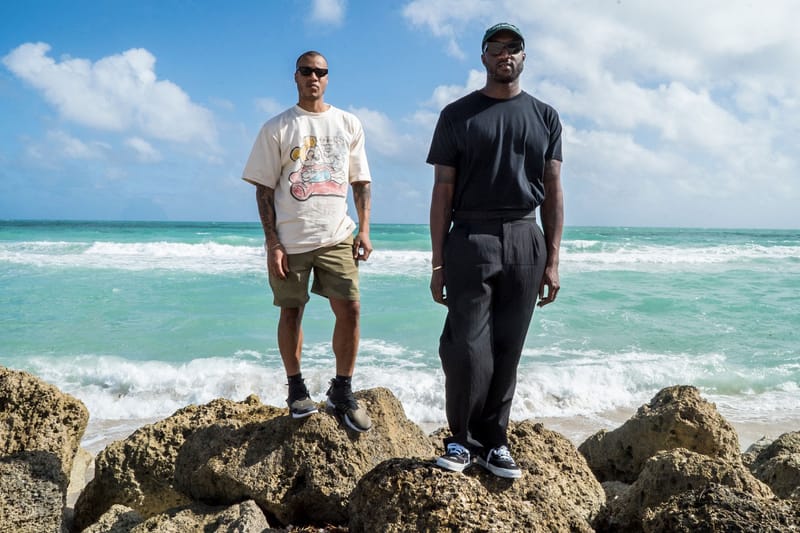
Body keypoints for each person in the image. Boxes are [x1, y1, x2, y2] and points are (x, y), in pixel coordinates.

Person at [427, 23, 564, 478]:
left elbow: (554, 188)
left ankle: (495, 442)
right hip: (470, 237)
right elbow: (442, 189)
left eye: (514, 48)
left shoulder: (546, 116)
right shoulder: (457, 115)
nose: (505, 54)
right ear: (483, 57)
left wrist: (554, 258)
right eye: (496, 48)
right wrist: (438, 260)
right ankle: (460, 441)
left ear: (524, 56)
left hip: (527, 238)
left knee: (508, 346)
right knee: (467, 345)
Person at [242, 50, 373, 432]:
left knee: (350, 309)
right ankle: (296, 388)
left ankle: (342, 391)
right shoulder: (277, 128)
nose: (314, 77)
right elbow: (264, 191)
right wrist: (273, 244)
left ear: (328, 78)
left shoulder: (348, 123)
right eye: (306, 71)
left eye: (321, 72)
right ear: (295, 76)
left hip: (337, 236)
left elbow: (361, 182)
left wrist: (364, 229)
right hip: (291, 240)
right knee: (291, 312)